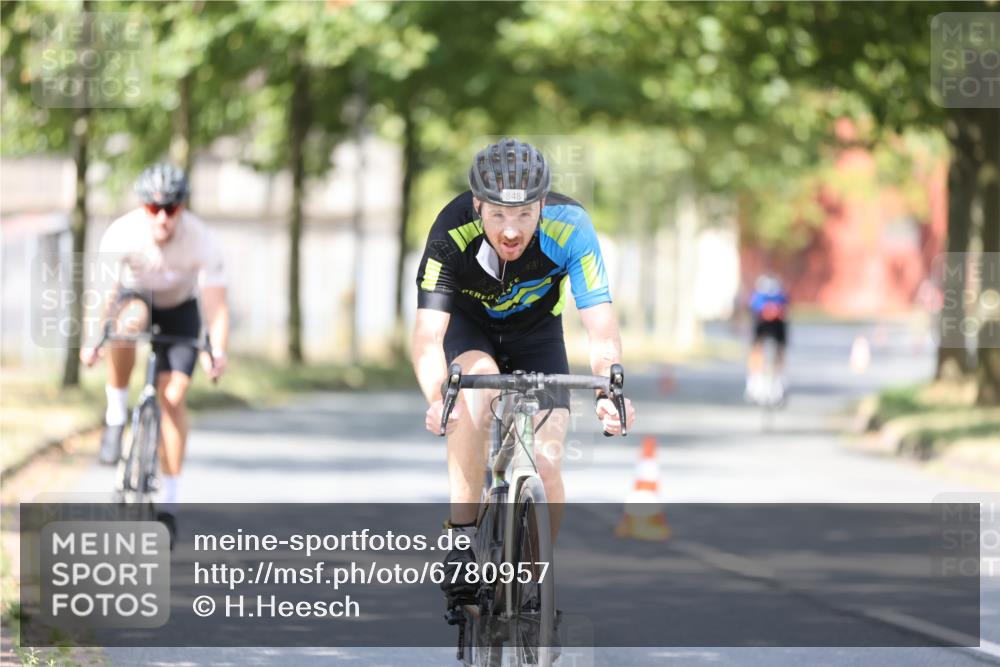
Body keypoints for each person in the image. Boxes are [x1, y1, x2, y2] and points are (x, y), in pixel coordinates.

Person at [411, 138, 635, 603]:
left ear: (541, 205)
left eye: (523, 216)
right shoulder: (450, 231)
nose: (511, 231)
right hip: (471, 332)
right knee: (471, 393)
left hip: (538, 337)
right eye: (497, 215)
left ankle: (533, 586)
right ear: (477, 206)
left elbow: (601, 330)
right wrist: (438, 398)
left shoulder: (571, 226)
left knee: (547, 462)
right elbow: (428, 337)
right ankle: (463, 539)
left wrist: (608, 394)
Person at [80, 163, 229, 535]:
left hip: (181, 310)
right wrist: (92, 338)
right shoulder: (123, 233)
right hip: (137, 298)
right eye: (153, 208)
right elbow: (104, 293)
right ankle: (116, 414)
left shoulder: (201, 239)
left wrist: (218, 348)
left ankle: (170, 502)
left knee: (174, 397)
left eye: (171, 209)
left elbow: (215, 302)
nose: (162, 217)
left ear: (182, 207)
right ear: (143, 206)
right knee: (127, 324)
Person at [744, 273, 789, 404]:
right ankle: (779, 381)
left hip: (764, 325)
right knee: (778, 351)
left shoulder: (759, 294)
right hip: (775, 326)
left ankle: (754, 382)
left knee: (757, 349)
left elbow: (752, 307)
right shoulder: (779, 295)